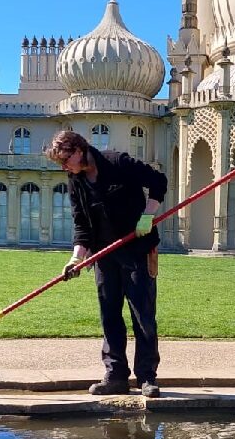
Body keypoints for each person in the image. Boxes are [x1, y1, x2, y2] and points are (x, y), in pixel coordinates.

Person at [48, 129, 167, 398]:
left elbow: (158, 180)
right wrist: (77, 257)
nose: (65, 167)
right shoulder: (74, 179)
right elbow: (81, 222)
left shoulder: (118, 162)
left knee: (142, 315)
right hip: (104, 255)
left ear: (79, 150)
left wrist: (147, 216)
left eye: (67, 161)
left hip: (137, 249)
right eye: (62, 164)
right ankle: (115, 376)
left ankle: (147, 377)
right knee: (110, 316)